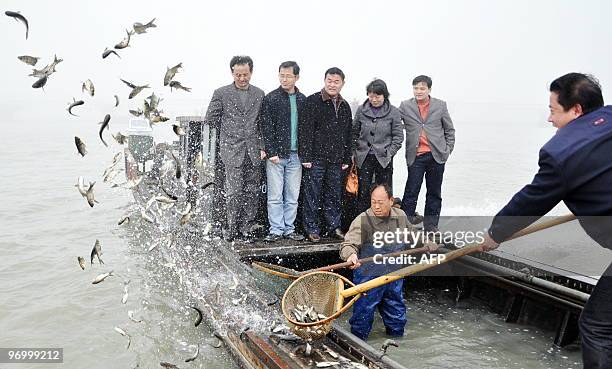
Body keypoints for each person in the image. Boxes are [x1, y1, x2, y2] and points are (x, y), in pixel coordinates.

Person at [480, 73, 612, 369]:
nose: (549, 119)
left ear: (576, 110)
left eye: (553, 110)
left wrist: (495, 233)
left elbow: (530, 201)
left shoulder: (561, 153)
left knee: (597, 327)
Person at [340, 184, 437, 340]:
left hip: (393, 277)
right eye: (373, 202)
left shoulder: (400, 215)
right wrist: (351, 256)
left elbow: (412, 234)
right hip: (369, 279)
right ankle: (358, 344)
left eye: (380, 202)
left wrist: (427, 242)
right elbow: (348, 245)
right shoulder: (362, 221)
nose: (376, 206)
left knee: (397, 317)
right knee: (362, 319)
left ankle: (397, 343)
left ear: (391, 201)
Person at [205, 55, 266, 242]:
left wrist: (262, 147)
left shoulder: (259, 94)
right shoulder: (221, 93)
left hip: (254, 150)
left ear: (251, 73)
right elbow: (210, 119)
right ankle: (231, 227)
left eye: (245, 74)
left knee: (252, 190)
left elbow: (262, 123)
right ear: (232, 72)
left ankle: (247, 226)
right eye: (238, 74)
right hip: (231, 151)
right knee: (233, 192)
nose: (242, 78)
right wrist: (227, 137)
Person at [301, 67, 353, 242]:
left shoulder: (345, 106)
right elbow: (305, 131)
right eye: (329, 81)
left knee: (334, 195)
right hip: (315, 158)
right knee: (312, 194)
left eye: (336, 81)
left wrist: (346, 158)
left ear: (342, 83)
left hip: (336, 159)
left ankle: (333, 227)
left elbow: (348, 133)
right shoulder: (313, 101)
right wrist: (306, 156)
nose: (332, 84)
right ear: (324, 81)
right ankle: (311, 228)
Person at [399, 75, 455, 233]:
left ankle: (431, 227)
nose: (419, 91)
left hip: (436, 156)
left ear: (429, 89)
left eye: (422, 88)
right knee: (411, 191)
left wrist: (447, 150)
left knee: (434, 192)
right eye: (416, 88)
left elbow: (449, 130)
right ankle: (404, 226)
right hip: (415, 156)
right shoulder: (405, 106)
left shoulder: (440, 105)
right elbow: (394, 122)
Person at [261, 61, 306, 242]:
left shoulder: (303, 100)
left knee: (292, 195)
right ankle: (276, 229)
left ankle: (289, 229)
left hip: (296, 155)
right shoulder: (271, 98)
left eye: (288, 76)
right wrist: (271, 151)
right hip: (276, 155)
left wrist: (306, 154)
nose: (284, 79)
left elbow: (307, 129)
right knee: (275, 195)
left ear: (296, 77)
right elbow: (266, 126)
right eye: (281, 75)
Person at [352, 79, 404, 214]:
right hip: (363, 157)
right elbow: (354, 133)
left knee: (384, 193)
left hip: (384, 158)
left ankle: (384, 223)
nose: (374, 99)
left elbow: (398, 137)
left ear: (385, 95)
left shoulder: (393, 112)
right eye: (371, 95)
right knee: (363, 192)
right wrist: (355, 152)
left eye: (377, 96)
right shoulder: (361, 110)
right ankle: (363, 223)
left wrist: (389, 152)